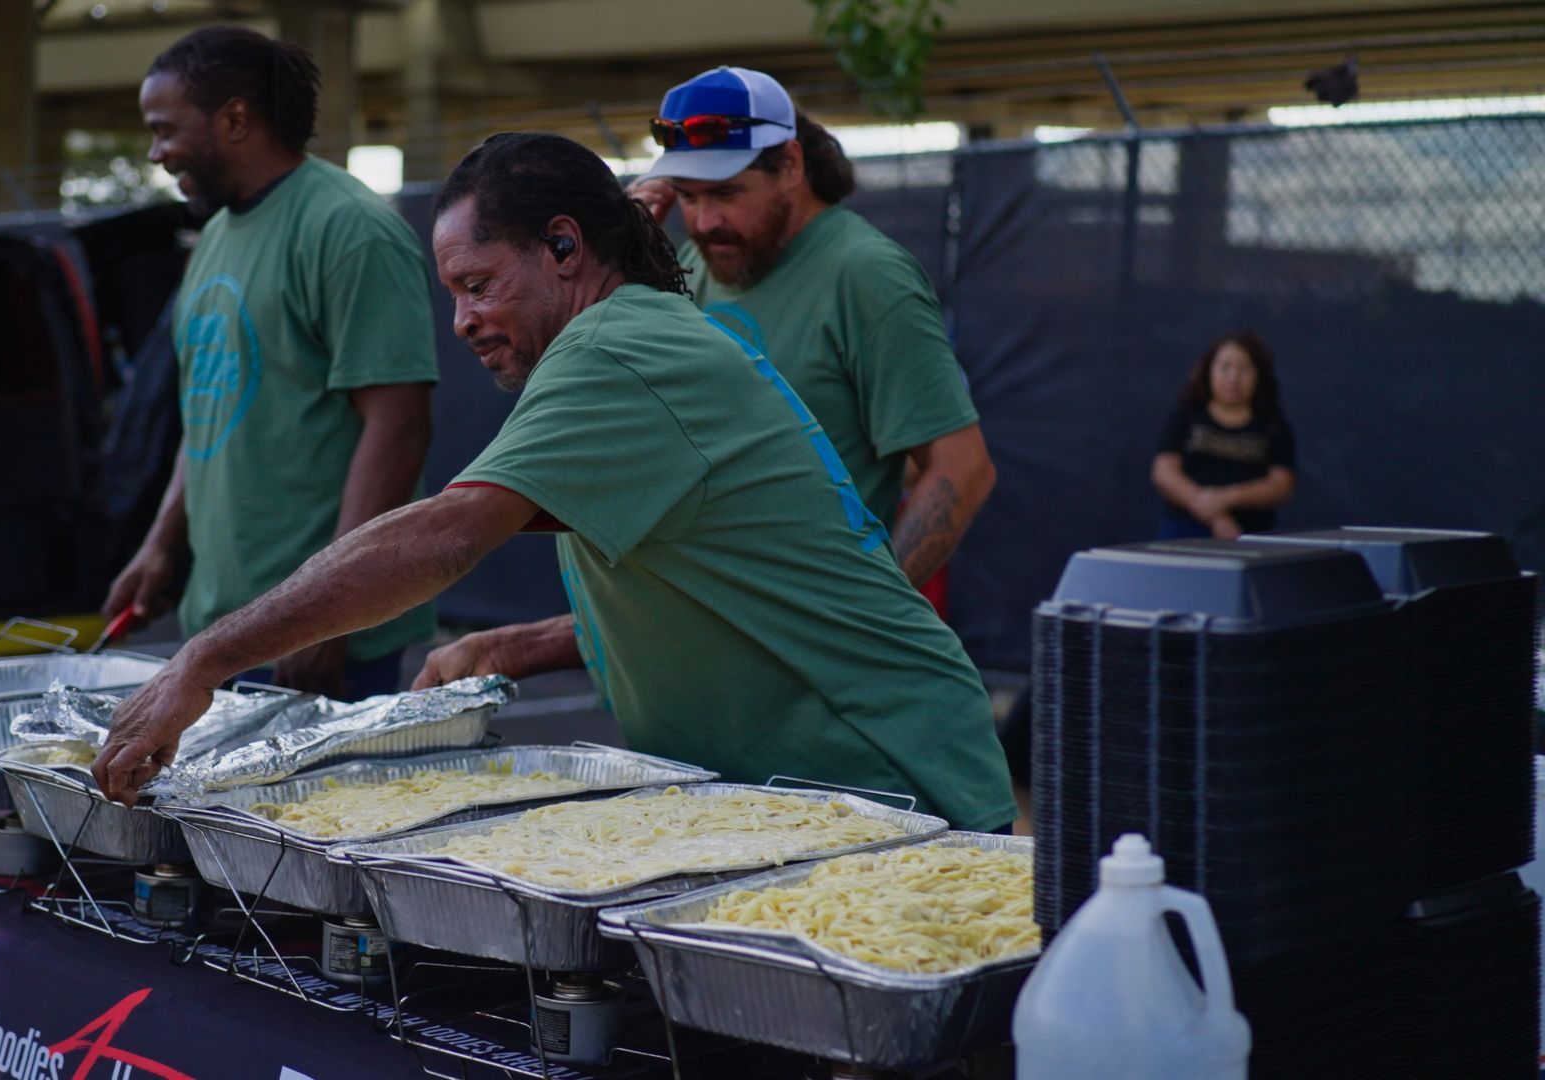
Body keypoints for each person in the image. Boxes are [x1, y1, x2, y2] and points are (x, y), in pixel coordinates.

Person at [92, 132, 1015, 833]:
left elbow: (444, 535)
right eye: (452, 294)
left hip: (886, 778)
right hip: (828, 777)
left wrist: (203, 659)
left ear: (565, 248)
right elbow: (719, 581)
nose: (461, 322)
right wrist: (517, 645)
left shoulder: (619, 346)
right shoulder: (640, 333)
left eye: (479, 284)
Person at [102, 26, 440, 699]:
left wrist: (329, 614)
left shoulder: (350, 228)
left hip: (317, 640)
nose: (157, 152)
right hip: (219, 631)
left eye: (165, 130)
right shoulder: (215, 236)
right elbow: (209, 415)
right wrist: (162, 545)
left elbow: (398, 430)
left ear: (234, 118)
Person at [627, 67, 995, 590]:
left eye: (727, 193)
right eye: (687, 196)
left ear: (791, 166)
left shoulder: (865, 272)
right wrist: (624, 251)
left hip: (812, 637)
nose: (705, 221)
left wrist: (867, 609)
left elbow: (963, 470)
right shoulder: (697, 262)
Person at [1151, 331, 1295, 539]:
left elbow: (1281, 485)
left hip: (1249, 534)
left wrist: (1227, 497)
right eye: (1225, 367)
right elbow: (1163, 473)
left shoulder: (1274, 426)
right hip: (1184, 530)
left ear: (1259, 376)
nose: (1233, 377)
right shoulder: (1186, 416)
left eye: (1245, 369)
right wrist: (1215, 515)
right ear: (1208, 371)